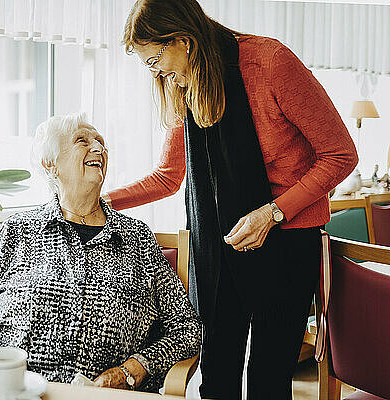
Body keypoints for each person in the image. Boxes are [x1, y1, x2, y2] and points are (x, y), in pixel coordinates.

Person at [104, 1, 359, 399]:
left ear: (183, 41)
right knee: (217, 379)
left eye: (155, 59)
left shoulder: (271, 63)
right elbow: (169, 176)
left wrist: (273, 213)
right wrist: (100, 202)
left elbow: (341, 154)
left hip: (289, 243)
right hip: (218, 248)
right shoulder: (183, 84)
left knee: (268, 382)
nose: (155, 72)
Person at [0, 113, 201, 392]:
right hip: (20, 392)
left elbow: (186, 328)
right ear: (51, 165)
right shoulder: (19, 231)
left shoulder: (137, 238)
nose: (98, 148)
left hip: (108, 395)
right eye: (82, 141)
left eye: (100, 142)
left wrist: (133, 369)